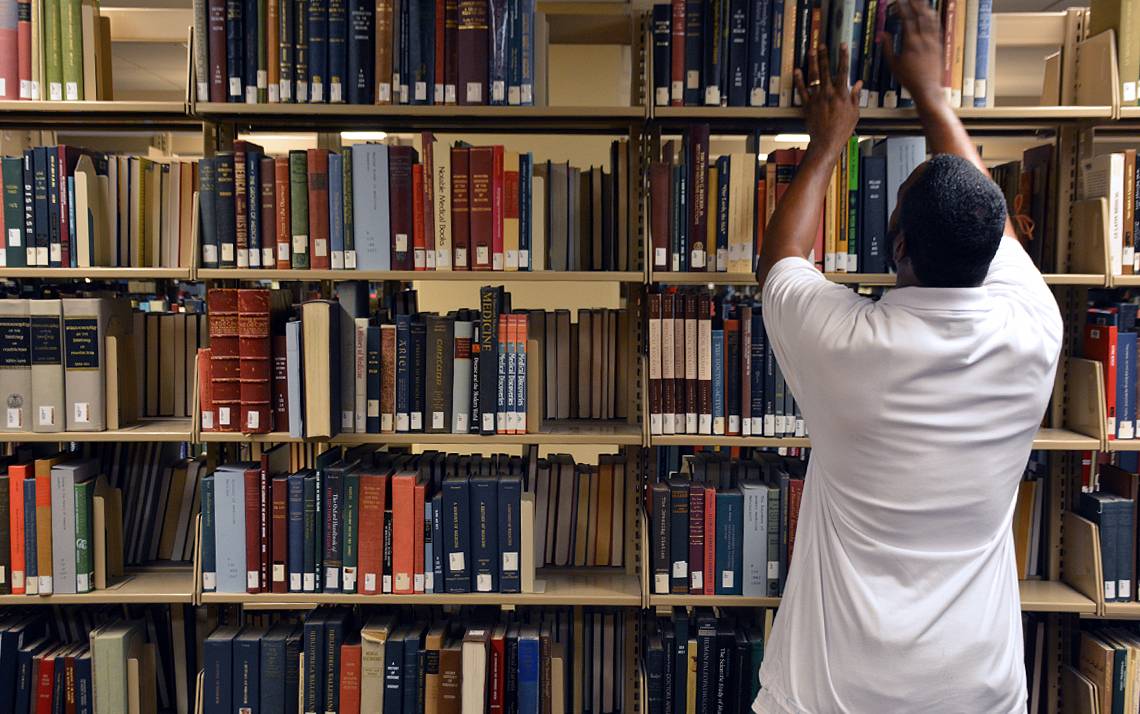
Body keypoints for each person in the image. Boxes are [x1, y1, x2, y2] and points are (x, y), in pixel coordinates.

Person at [752, 0, 1063, 711]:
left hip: (829, 693)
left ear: (895, 247)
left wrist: (828, 140)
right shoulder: (1034, 327)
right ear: (997, 251)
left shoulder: (845, 345)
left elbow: (778, 260)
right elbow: (987, 213)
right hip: (975, 689)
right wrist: (934, 93)